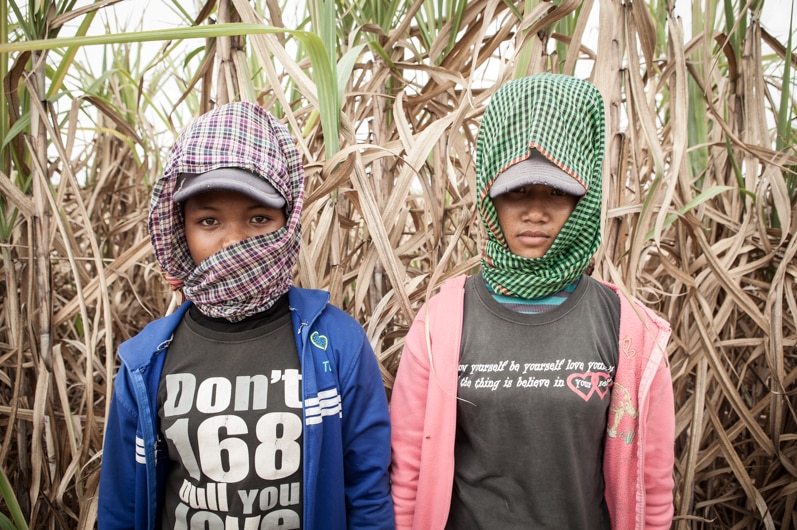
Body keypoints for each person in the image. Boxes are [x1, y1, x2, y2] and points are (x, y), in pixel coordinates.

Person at [389, 74, 675, 530]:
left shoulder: (630, 330)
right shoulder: (441, 322)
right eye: (516, 191)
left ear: (585, 199)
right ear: (489, 196)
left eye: (558, 192)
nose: (535, 211)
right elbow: (408, 474)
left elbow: (652, 489)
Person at [98, 101, 394, 530]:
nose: (233, 242)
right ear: (181, 228)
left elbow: (367, 494)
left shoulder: (337, 344)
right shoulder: (146, 362)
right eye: (209, 221)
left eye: (258, 218)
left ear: (287, 220)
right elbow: (122, 506)